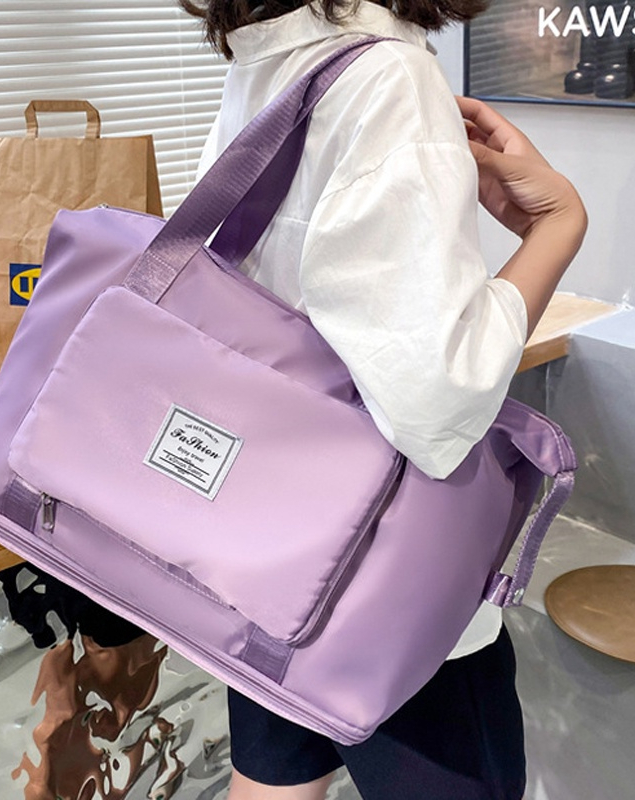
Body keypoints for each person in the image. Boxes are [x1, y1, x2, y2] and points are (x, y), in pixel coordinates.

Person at [178, 0, 588, 798]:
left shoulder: (268, 60)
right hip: (385, 583)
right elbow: (436, 402)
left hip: (263, 553)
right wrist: (557, 226)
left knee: (273, 783)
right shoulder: (390, 76)